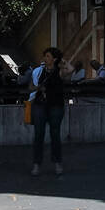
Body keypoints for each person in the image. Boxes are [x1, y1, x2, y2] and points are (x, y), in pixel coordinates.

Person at [29, 47, 67, 177]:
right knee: (38, 134)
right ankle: (36, 163)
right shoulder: (39, 71)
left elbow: (71, 70)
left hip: (56, 105)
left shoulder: (60, 71)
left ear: (54, 59)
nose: (45, 58)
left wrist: (63, 61)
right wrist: (38, 87)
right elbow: (30, 87)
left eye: (48, 56)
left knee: (55, 134)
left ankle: (57, 162)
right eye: (45, 56)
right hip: (40, 104)